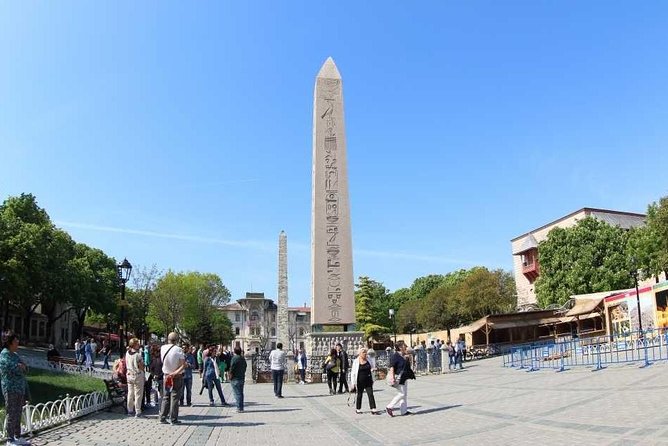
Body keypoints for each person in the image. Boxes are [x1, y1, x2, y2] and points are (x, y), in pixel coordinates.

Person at [0, 332, 31, 446]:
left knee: (18, 412)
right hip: (10, 388)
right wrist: (19, 367)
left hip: (19, 389)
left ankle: (18, 436)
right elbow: (10, 368)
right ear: (10, 342)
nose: (18, 342)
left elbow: (26, 368)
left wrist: (21, 367)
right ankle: (10, 439)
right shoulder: (4, 354)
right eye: (16, 340)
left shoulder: (15, 355)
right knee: (11, 413)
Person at [159, 332, 185, 425]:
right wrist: (175, 372)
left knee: (166, 397)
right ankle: (174, 419)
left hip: (166, 375)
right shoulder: (179, 349)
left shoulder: (162, 348)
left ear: (168, 339)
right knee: (175, 397)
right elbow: (183, 365)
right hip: (176, 376)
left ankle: (162, 417)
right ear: (177, 340)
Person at [385, 343, 416, 417]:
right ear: (400, 347)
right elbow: (392, 368)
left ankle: (403, 411)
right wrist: (392, 378)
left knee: (404, 394)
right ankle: (389, 406)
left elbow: (409, 365)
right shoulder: (395, 356)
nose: (406, 347)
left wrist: (408, 358)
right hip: (398, 377)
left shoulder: (404, 355)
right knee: (402, 394)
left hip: (404, 377)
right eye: (404, 346)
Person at [350, 347, 380, 415]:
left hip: (368, 380)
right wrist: (353, 383)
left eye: (365, 352)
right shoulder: (356, 361)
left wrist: (373, 370)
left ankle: (373, 408)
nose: (365, 353)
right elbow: (353, 373)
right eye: (363, 352)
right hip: (359, 381)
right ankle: (358, 409)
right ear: (359, 353)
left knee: (370, 394)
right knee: (359, 395)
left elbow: (372, 367)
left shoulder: (369, 359)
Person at [125, 338, 146, 417]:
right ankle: (138, 411)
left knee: (130, 393)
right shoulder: (138, 355)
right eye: (137, 344)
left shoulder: (127, 353)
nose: (139, 345)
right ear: (134, 345)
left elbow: (128, 349)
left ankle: (130, 410)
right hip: (137, 375)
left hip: (129, 374)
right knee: (138, 394)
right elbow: (141, 367)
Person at [227, 346, 247, 413]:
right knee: (241, 393)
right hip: (241, 377)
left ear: (234, 351)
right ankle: (241, 407)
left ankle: (239, 408)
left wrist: (230, 374)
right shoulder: (242, 358)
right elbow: (245, 366)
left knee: (237, 393)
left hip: (235, 378)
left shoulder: (234, 358)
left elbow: (232, 367)